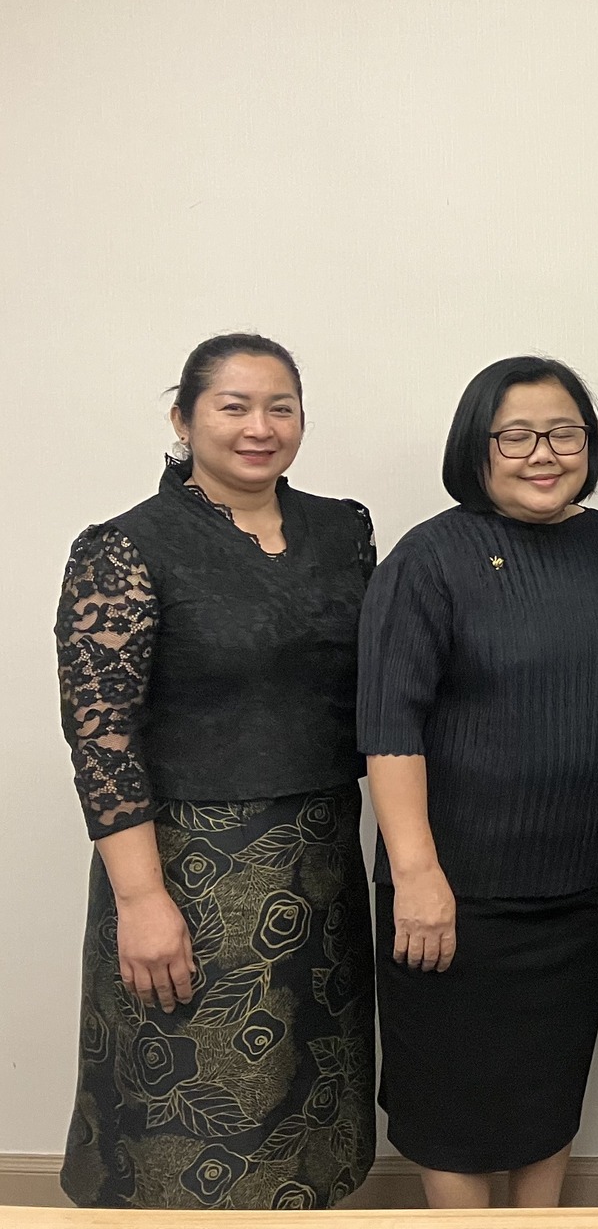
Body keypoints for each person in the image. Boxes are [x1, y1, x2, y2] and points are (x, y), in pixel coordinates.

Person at [55, 333, 377, 1209]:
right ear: (183, 419)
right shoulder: (126, 547)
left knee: (311, 1110)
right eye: (234, 407)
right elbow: (102, 739)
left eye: (281, 408)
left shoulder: (343, 530)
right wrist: (140, 901)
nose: (259, 427)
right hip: (188, 873)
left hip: (321, 865)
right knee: (191, 1117)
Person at [358, 356, 598, 1209]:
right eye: (518, 435)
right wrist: (417, 875)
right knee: (448, 1104)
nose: (544, 453)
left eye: (564, 434)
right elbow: (389, 727)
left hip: (576, 881)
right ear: (477, 446)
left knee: (547, 1091)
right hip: (454, 886)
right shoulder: (429, 558)